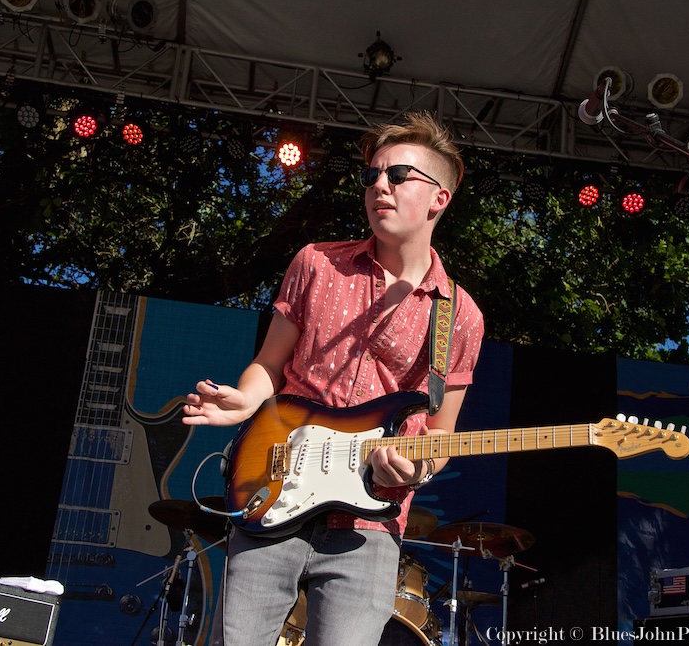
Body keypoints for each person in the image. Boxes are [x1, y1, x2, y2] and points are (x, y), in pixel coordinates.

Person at [182, 111, 485, 646]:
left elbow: (439, 435)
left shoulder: (460, 316)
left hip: (368, 525)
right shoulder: (316, 263)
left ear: (440, 198)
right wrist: (245, 399)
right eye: (371, 176)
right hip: (271, 490)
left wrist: (415, 469)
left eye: (398, 176)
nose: (379, 187)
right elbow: (269, 365)